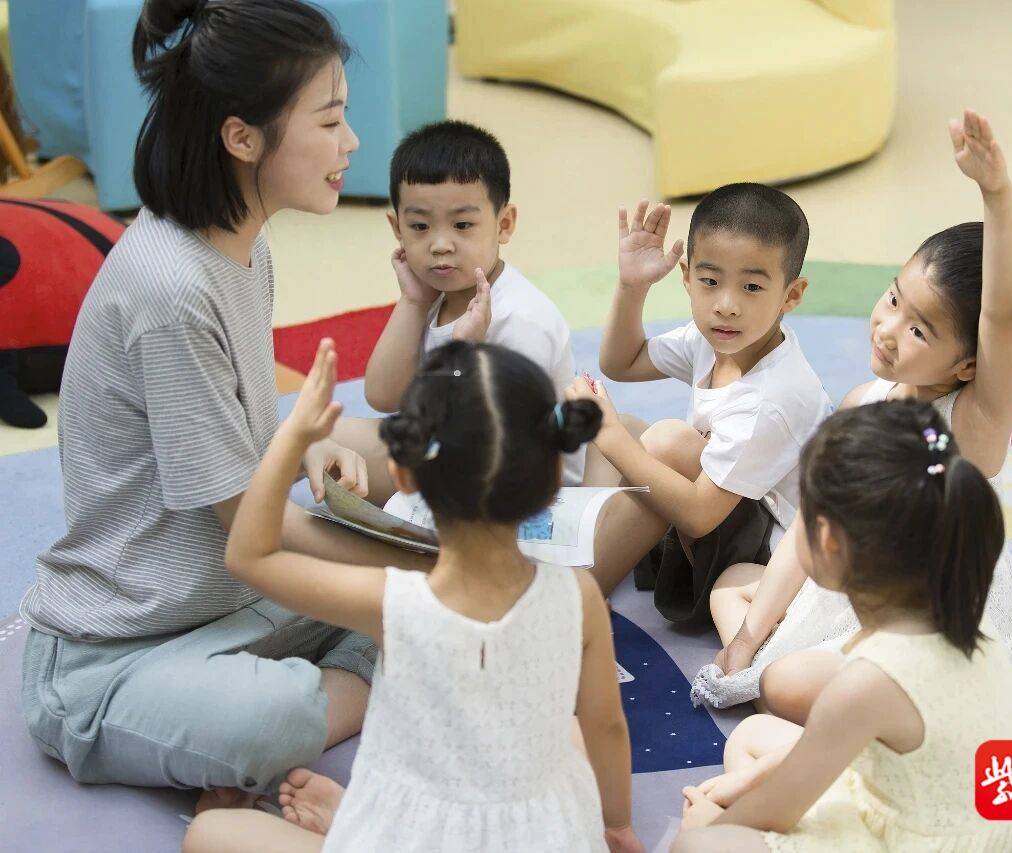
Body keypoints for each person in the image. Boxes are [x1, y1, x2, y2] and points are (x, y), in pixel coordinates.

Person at [20, 0, 412, 811]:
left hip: (231, 603)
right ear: (242, 137)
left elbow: (225, 429)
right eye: (329, 121)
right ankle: (307, 707)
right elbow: (246, 524)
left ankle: (247, 724)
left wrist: (304, 447)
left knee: (401, 512)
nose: (351, 143)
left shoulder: (241, 247)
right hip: (116, 653)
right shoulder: (171, 290)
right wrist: (415, 570)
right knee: (288, 704)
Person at [697, 110, 1012, 717]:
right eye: (894, 298)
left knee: (784, 686)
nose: (887, 329)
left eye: (919, 330)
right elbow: (809, 527)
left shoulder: (972, 428)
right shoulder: (864, 403)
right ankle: (817, 685)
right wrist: (747, 643)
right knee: (732, 590)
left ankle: (867, 707)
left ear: (969, 364)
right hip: (853, 592)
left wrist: (996, 192)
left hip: (927, 629)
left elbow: (1004, 315)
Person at [183, 340, 641, 853]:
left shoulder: (390, 599)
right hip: (538, 837)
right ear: (555, 478)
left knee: (209, 833)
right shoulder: (578, 593)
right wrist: (617, 827)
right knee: (572, 733)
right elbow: (607, 727)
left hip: (413, 835)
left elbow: (249, 555)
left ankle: (353, 821)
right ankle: (353, 816)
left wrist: (292, 437)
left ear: (402, 475)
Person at [674, 401, 1012, 853]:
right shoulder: (957, 614)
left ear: (826, 540)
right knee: (752, 736)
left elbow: (781, 807)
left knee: (696, 846)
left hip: (926, 843)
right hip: (976, 812)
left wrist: (712, 824)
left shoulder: (865, 683)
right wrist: (748, 784)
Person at [567, 186, 831, 627]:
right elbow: (622, 362)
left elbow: (699, 515)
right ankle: (586, 546)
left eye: (752, 287)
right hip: (720, 522)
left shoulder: (774, 397)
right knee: (628, 427)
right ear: (687, 277)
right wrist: (632, 286)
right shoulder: (715, 338)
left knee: (659, 442)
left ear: (791, 294)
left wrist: (609, 437)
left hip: (762, 569)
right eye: (711, 282)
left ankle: (576, 595)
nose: (726, 306)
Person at [363, 119, 585, 483]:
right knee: (329, 442)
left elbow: (500, 443)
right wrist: (413, 304)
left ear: (504, 224)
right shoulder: (433, 296)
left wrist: (464, 353)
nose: (440, 245)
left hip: (531, 488)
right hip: (465, 464)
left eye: (462, 225)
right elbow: (383, 396)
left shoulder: (522, 319)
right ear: (397, 228)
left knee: (339, 444)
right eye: (420, 227)